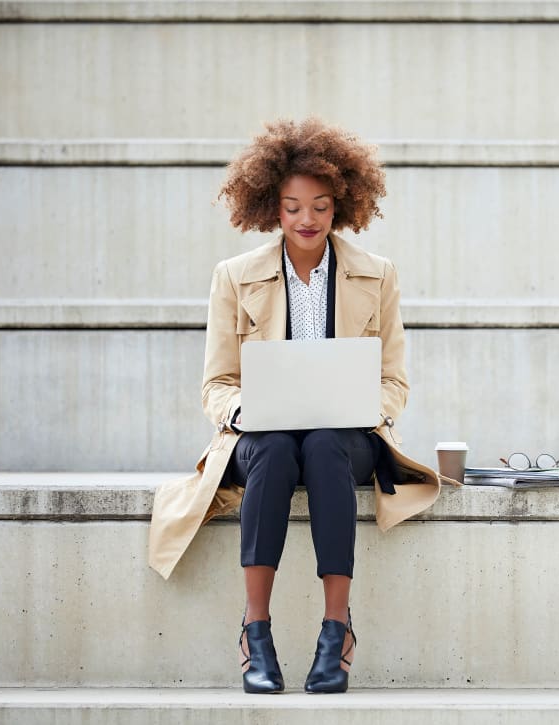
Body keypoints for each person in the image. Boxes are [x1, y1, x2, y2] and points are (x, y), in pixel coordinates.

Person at [147, 118, 454, 694]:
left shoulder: (377, 274)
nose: (306, 220)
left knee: (323, 444)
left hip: (347, 435)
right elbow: (216, 383)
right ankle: (255, 631)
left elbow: (395, 380)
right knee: (275, 448)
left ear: (342, 204)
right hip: (261, 437)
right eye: (292, 207)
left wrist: (370, 406)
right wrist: (246, 409)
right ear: (271, 208)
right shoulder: (235, 278)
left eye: (319, 205)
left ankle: (336, 630)